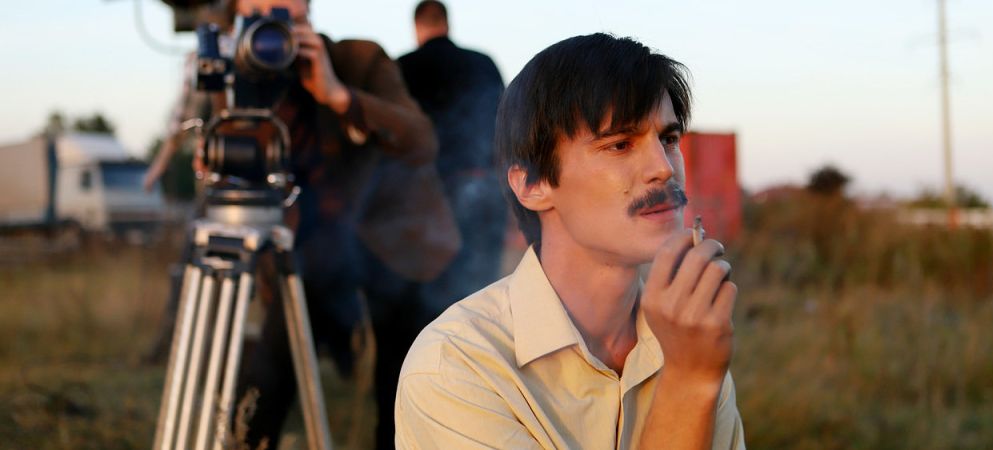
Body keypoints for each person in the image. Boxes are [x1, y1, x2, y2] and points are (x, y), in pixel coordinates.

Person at [395, 33, 745, 449]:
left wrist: (693, 371)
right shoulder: (455, 366)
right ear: (532, 185)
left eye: (668, 139)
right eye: (620, 144)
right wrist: (687, 382)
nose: (664, 168)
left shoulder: (685, 340)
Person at [219, 0, 451, 449]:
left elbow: (422, 140)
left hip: (393, 243)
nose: (273, 35)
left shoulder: (358, 60)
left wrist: (339, 96)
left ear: (308, 16)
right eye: (258, 19)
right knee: (273, 361)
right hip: (307, 252)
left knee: (403, 380)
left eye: (286, 18)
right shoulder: (236, 77)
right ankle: (247, 440)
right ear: (236, 25)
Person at [398, 0, 506, 315]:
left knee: (428, 303)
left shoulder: (403, 68)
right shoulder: (483, 63)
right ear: (446, 24)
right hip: (484, 192)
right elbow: (505, 126)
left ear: (417, 28)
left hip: (426, 199)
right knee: (481, 294)